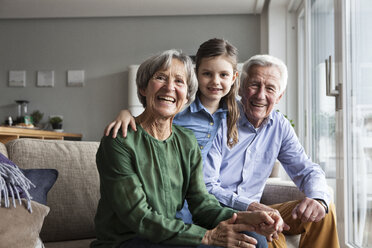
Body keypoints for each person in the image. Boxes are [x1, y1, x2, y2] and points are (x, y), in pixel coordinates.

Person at [91, 49, 284, 248]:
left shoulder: (186, 141)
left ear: (186, 96)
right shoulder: (119, 141)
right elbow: (138, 216)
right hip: (128, 240)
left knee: (255, 239)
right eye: (160, 78)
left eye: (179, 82)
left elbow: (202, 203)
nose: (169, 88)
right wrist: (206, 237)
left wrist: (246, 218)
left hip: (170, 235)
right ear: (143, 88)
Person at [203, 54, 340, 247]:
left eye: (270, 88)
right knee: (266, 232)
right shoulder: (218, 121)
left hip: (261, 213)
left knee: (322, 212)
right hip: (223, 212)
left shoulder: (279, 126)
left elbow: (307, 170)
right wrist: (251, 207)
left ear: (279, 96)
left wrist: (318, 199)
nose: (260, 95)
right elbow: (207, 186)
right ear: (240, 87)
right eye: (254, 85)